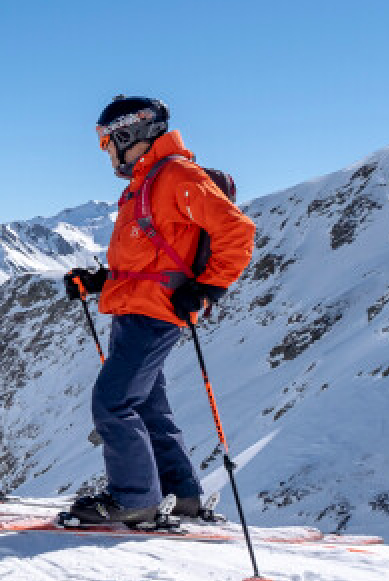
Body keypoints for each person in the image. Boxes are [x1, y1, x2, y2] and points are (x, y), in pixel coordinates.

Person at [63, 96, 255, 525]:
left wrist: (208, 288)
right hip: (136, 309)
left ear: (131, 133)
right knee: (148, 406)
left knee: (112, 403)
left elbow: (237, 231)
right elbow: (149, 259)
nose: (106, 151)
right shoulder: (146, 184)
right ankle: (180, 494)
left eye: (107, 141)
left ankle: (134, 500)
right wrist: (99, 281)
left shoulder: (174, 176)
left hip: (153, 314)